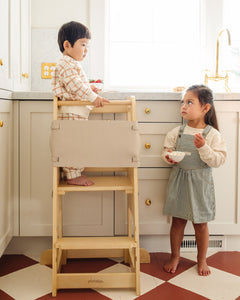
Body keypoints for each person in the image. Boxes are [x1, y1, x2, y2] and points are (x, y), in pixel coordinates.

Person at [162, 84, 227, 276]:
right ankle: (175, 256)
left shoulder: (212, 134)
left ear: (205, 108)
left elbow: (219, 160)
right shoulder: (177, 132)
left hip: (201, 183)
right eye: (182, 102)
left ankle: (202, 259)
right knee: (178, 221)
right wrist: (168, 156)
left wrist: (203, 147)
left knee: (201, 224)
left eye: (190, 102)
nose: (184, 106)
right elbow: (166, 151)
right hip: (180, 181)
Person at [52, 21, 109, 186]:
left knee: (78, 143)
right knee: (73, 145)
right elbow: (74, 85)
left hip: (76, 112)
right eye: (83, 44)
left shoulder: (71, 63)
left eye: (87, 46)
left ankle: (74, 173)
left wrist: (89, 87)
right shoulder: (65, 63)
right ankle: (72, 175)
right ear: (67, 45)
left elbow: (76, 84)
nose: (86, 50)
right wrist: (93, 97)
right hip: (71, 112)